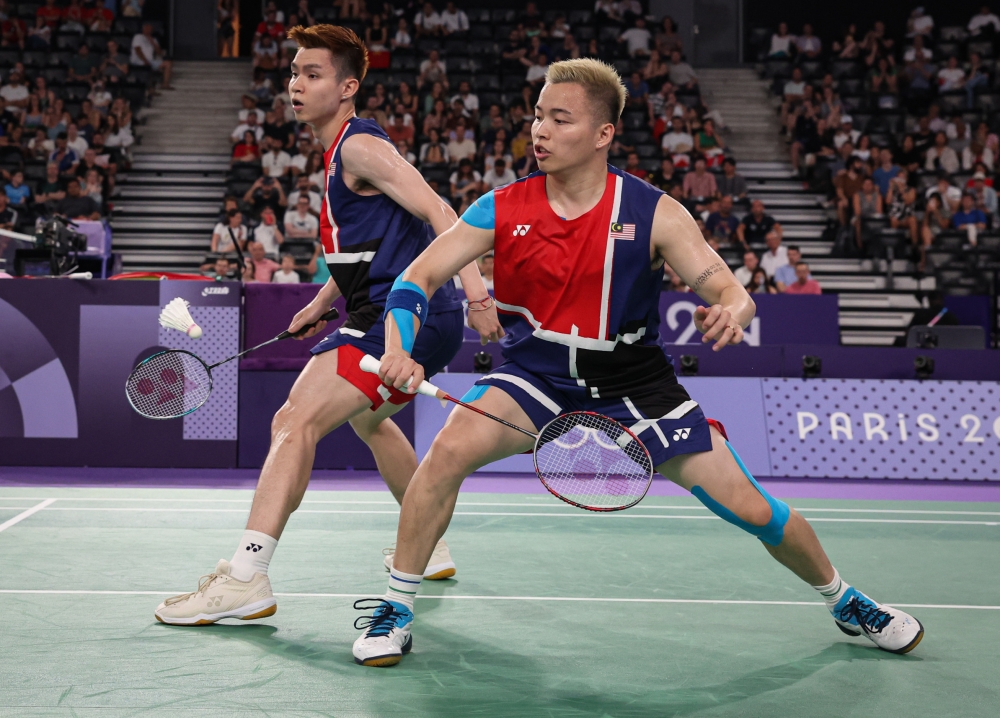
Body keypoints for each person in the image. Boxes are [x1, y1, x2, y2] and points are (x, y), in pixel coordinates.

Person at [351, 58, 923, 667]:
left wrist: (734, 310)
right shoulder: (501, 208)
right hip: (536, 373)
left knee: (755, 510)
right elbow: (418, 277)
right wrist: (395, 347)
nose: (539, 131)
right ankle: (397, 607)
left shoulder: (655, 212)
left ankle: (845, 599)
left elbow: (732, 291)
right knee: (444, 455)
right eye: (538, 116)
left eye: (559, 119)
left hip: (636, 385)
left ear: (603, 134)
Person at [154, 24, 501, 627]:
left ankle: (245, 577)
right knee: (371, 420)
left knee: (293, 421)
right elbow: (373, 248)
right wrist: (321, 302)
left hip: (409, 311)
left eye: (312, 75)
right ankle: (429, 541)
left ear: (347, 88)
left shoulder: (360, 149)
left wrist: (477, 294)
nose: (295, 84)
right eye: (294, 73)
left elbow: (444, 212)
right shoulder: (341, 151)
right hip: (401, 310)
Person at [131, 23, 174, 90]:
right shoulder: (138, 37)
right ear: (143, 29)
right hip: (138, 60)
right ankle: (150, 88)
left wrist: (153, 42)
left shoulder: (154, 39)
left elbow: (159, 52)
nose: (149, 30)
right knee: (150, 67)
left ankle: (165, 84)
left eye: (151, 29)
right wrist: (144, 60)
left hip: (150, 60)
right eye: (147, 29)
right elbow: (138, 50)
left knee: (168, 63)